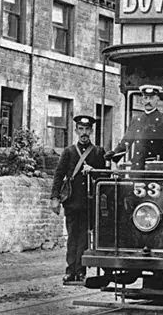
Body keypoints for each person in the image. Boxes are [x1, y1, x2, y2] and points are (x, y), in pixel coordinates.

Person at [50, 115, 106, 284]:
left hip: (89, 202)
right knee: (72, 236)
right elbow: (59, 175)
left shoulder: (98, 152)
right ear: (75, 131)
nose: (84, 133)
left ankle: (81, 272)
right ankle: (70, 271)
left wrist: (94, 170)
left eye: (87, 129)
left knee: (84, 237)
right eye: (81, 129)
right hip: (72, 202)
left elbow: (104, 176)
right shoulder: (68, 152)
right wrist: (54, 198)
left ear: (91, 131)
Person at [105, 85, 163, 169]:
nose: (148, 101)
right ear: (142, 100)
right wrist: (114, 154)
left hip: (156, 166)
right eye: (145, 98)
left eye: (151, 98)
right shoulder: (136, 120)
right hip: (137, 166)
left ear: (157, 100)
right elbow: (126, 142)